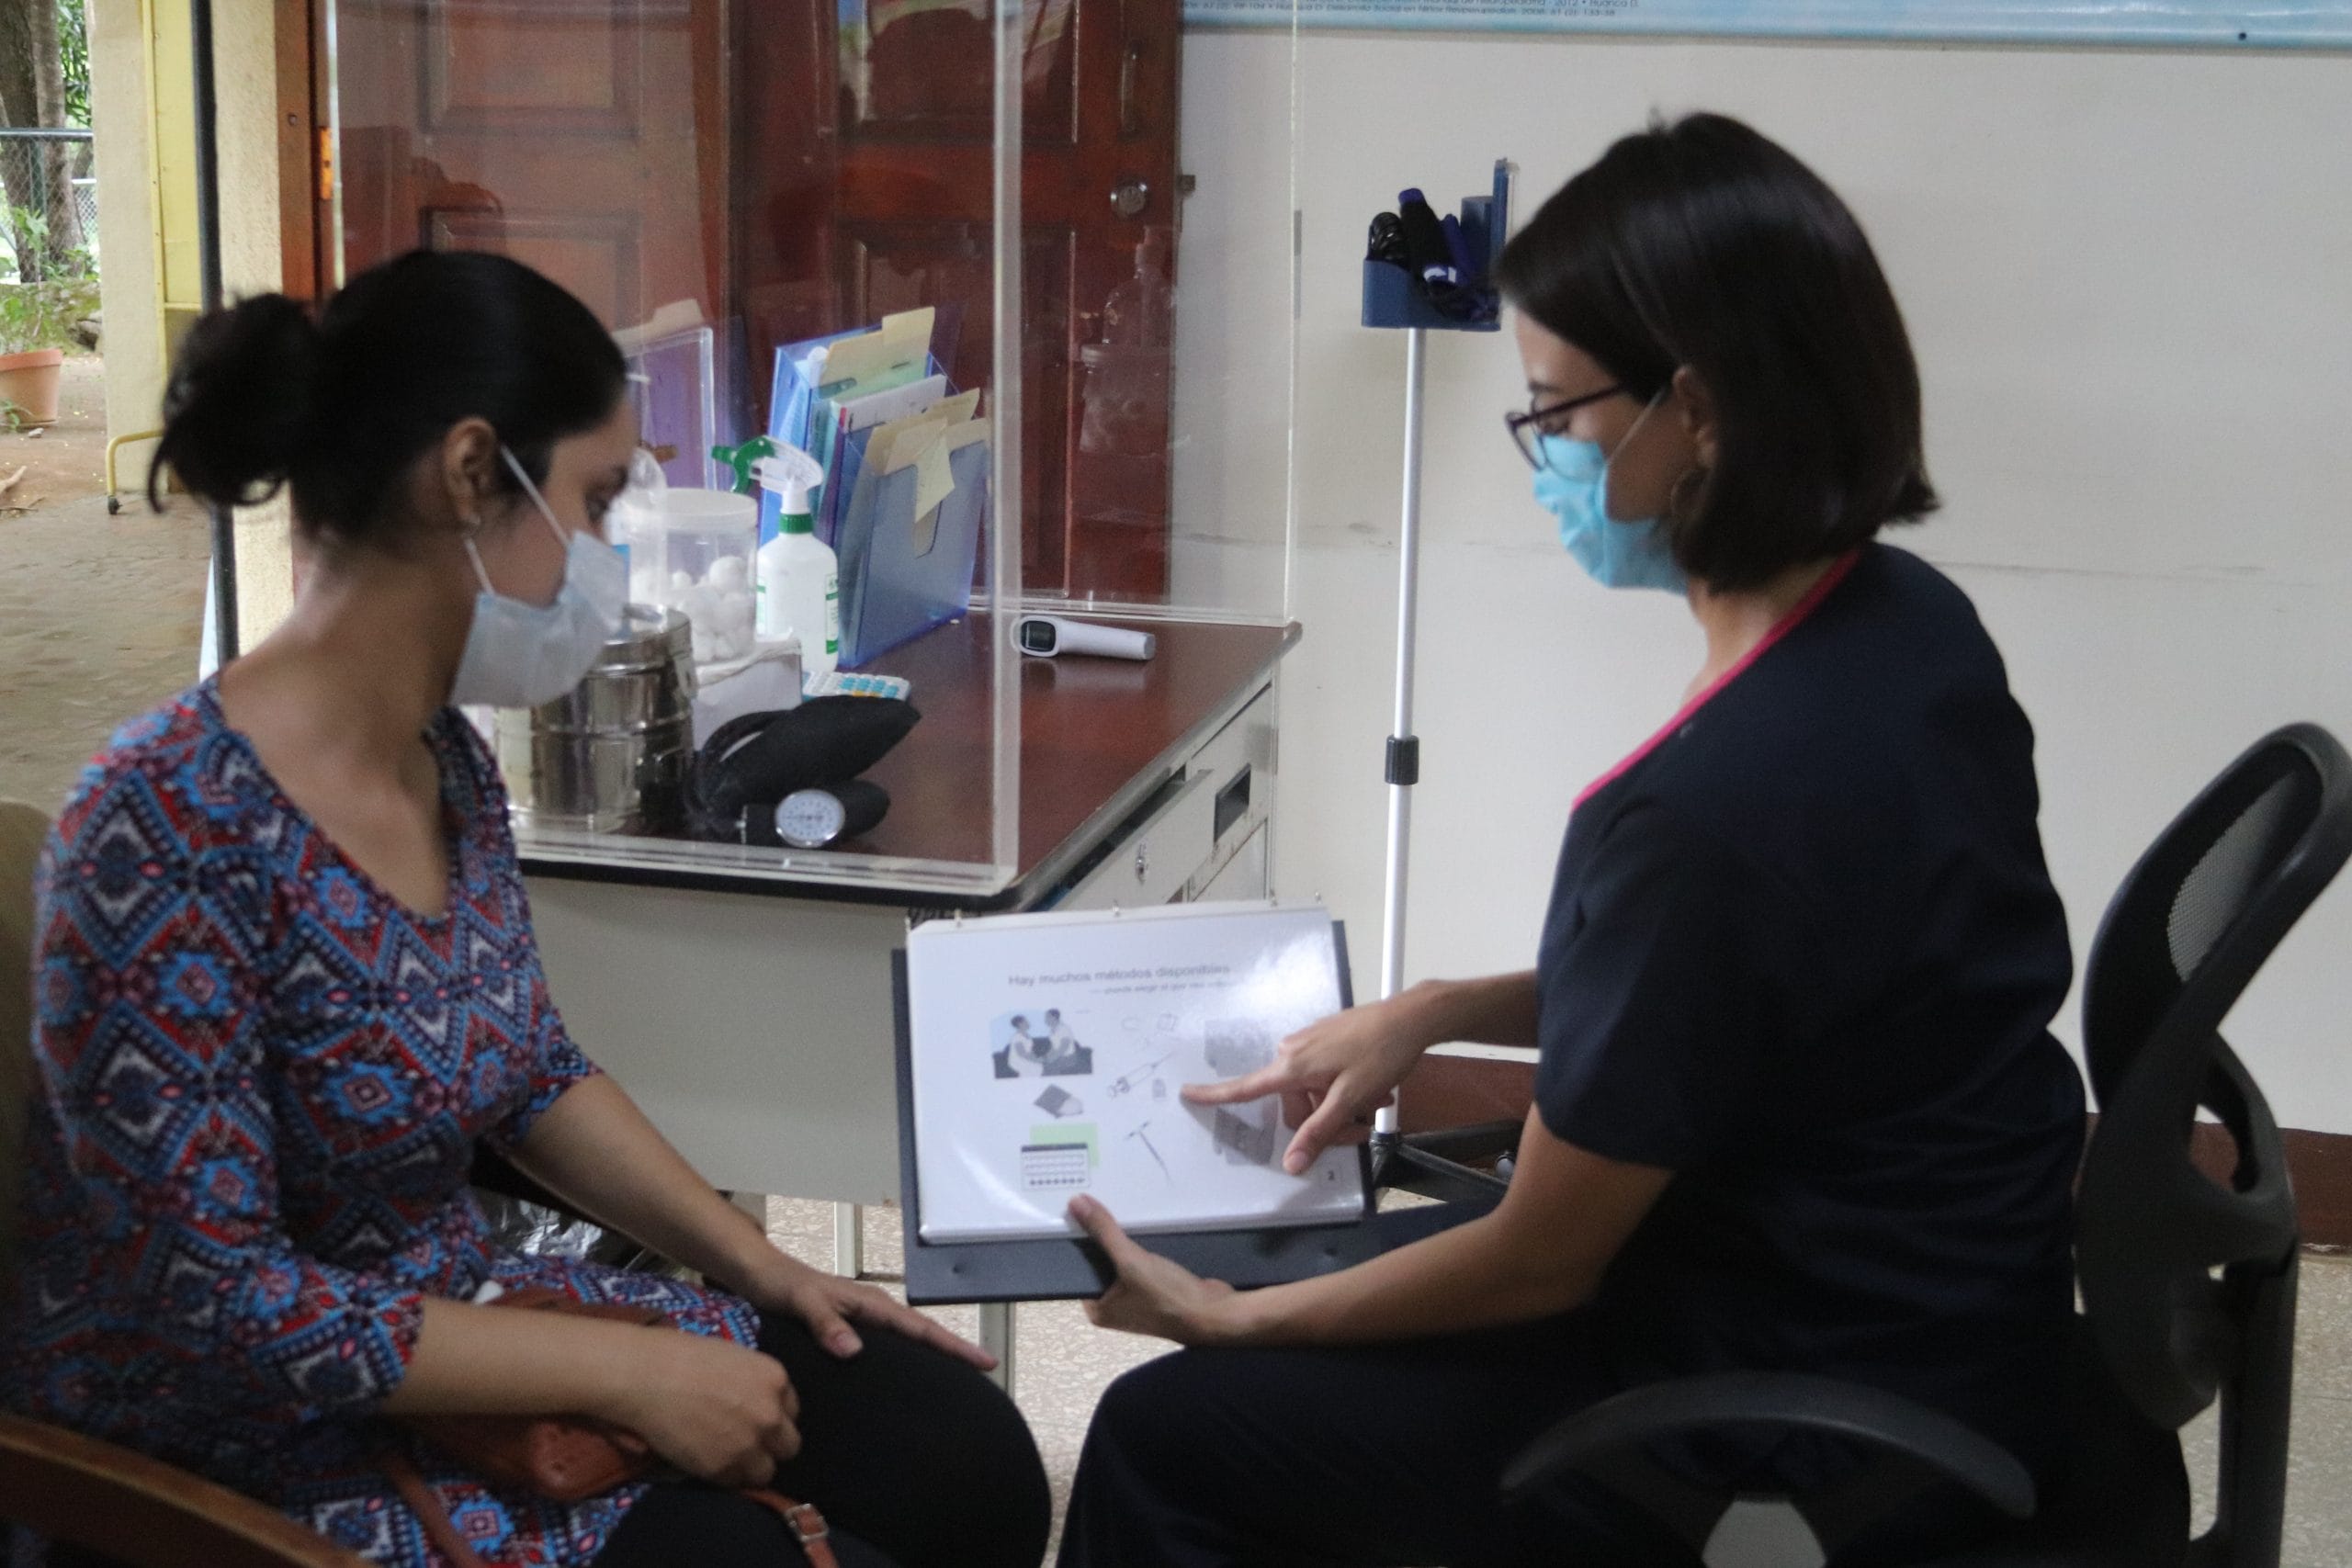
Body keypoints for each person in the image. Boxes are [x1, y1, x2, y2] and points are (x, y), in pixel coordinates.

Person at [1055, 113, 2086, 1567]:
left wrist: (1233, 1321)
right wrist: (1445, 1010)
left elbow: (1542, 1259)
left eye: (1553, 411)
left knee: (1172, 1430)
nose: (1540, 456)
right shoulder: (1901, 625)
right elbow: (1762, 988)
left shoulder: (1707, 804)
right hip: (1947, 1317)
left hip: (1781, 1401)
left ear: (1699, 411)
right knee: (1339, 1275)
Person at [0, 252, 1050, 1568]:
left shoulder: (443, 759)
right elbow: (220, 1305)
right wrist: (621, 1377)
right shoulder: (164, 831)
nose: (611, 556)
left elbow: (530, 1070)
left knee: (965, 1462)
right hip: (244, 1444)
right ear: (469, 472)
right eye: (598, 503)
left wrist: (761, 1268)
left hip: (456, 1315)